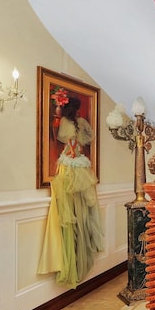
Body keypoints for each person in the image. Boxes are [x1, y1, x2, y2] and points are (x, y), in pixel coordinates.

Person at [38, 97, 104, 289]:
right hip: (77, 162)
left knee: (72, 206)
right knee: (79, 206)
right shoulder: (80, 123)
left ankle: (73, 256)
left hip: (68, 163)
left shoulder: (65, 123)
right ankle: (78, 254)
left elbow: (63, 140)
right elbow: (86, 139)